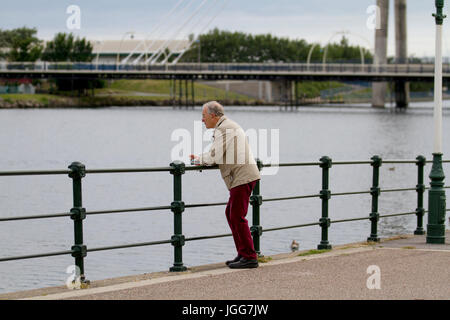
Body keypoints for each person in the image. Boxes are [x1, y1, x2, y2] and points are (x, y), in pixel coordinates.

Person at [190, 101, 261, 269]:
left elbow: (215, 155)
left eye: (203, 116)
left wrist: (199, 160)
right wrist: (201, 158)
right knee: (231, 213)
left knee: (236, 215)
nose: (202, 120)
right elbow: (217, 152)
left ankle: (250, 257)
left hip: (242, 177)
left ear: (213, 116)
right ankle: (243, 254)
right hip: (244, 176)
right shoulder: (227, 126)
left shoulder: (224, 128)